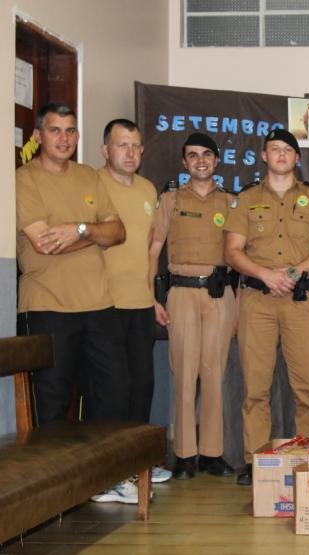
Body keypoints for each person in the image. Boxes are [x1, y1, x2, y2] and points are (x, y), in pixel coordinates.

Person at [16, 103, 134, 501]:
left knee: (113, 393)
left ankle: (107, 478)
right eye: (54, 131)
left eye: (70, 131)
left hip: (99, 305)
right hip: (47, 308)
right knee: (51, 401)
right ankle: (55, 490)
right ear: (38, 136)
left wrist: (77, 228)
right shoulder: (23, 179)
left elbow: (118, 232)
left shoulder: (88, 176)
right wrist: (91, 235)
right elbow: (44, 243)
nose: (63, 138)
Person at [225, 129, 309, 485]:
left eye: (288, 150)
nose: (281, 155)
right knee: (255, 387)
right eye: (274, 149)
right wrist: (265, 275)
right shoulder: (245, 200)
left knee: (307, 387)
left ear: (297, 158)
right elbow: (232, 251)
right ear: (264, 156)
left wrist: (293, 272)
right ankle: (255, 460)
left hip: (300, 301)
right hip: (257, 300)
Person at [148, 133, 237, 480]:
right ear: (184, 163)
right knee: (184, 375)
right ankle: (185, 455)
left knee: (215, 374)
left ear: (217, 161)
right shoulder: (170, 200)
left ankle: (213, 453)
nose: (200, 161)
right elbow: (154, 251)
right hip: (181, 293)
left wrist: (239, 305)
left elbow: (241, 255)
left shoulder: (231, 203)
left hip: (219, 295)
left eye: (207, 155)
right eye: (192, 156)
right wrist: (152, 298)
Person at [98, 118, 171, 484]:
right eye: (122, 145)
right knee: (113, 390)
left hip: (140, 305)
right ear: (105, 150)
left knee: (143, 384)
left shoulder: (147, 189)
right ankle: (111, 471)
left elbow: (148, 249)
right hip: (103, 306)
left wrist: (153, 297)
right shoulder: (92, 184)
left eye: (136, 146)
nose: (130, 152)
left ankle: (138, 464)